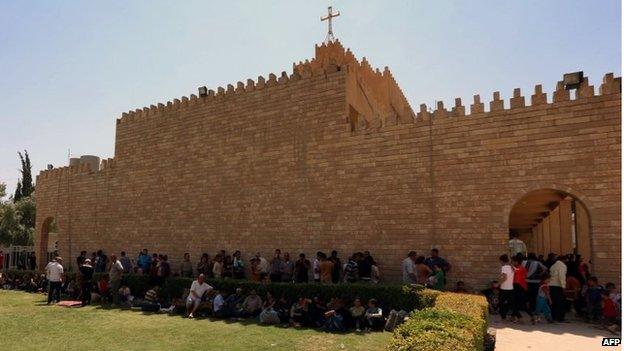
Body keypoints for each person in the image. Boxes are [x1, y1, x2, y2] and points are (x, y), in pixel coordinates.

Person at [511, 256, 533, 323]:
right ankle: (514, 317)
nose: (512, 263)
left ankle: (528, 316)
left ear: (516, 261)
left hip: (520, 287)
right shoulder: (520, 268)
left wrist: (510, 266)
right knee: (516, 303)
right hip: (518, 286)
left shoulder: (521, 268)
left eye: (513, 261)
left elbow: (516, 271)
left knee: (518, 303)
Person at [549, 255, 568, 322]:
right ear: (564, 260)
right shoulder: (562, 266)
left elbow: (550, 274)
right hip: (558, 286)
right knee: (561, 302)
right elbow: (561, 276)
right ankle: (560, 318)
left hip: (551, 285)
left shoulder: (553, 265)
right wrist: (563, 286)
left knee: (554, 302)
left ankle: (553, 317)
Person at [498, 254, 515, 322]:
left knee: (502, 304)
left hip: (504, 288)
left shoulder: (504, 267)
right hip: (511, 288)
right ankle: (515, 317)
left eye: (500, 261)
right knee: (510, 303)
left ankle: (504, 318)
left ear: (502, 261)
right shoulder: (511, 267)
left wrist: (499, 283)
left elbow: (504, 278)